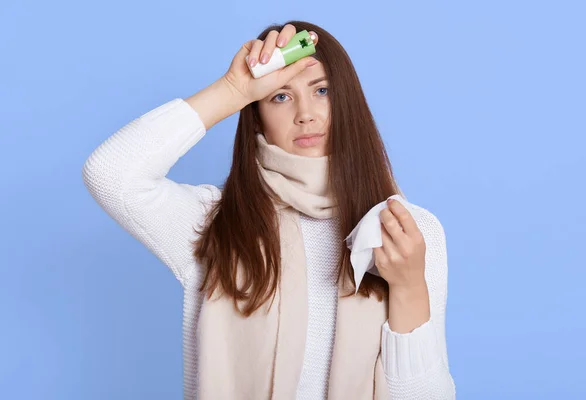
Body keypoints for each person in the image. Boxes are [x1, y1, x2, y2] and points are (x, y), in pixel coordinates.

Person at [82, 20, 456, 400]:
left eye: (322, 90)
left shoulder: (404, 233)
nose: (305, 114)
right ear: (255, 113)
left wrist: (408, 286)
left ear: (348, 101)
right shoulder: (214, 222)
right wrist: (232, 90)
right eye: (280, 96)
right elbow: (111, 174)